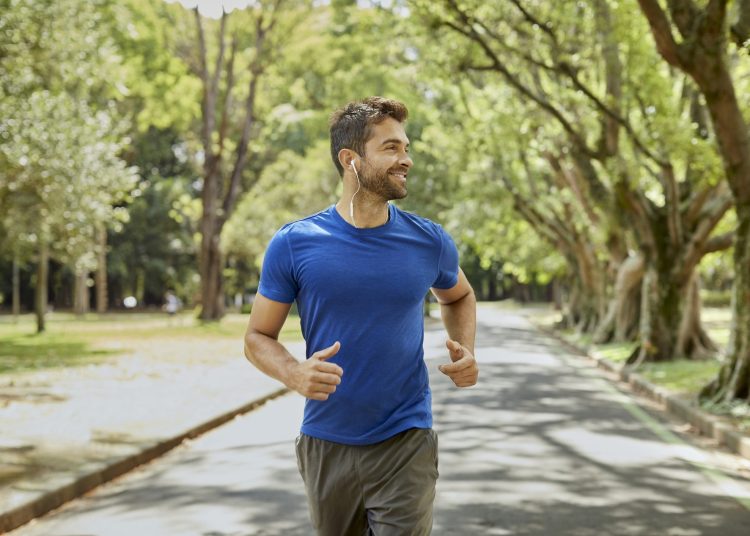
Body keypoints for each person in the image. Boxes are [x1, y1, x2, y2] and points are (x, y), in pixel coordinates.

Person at [243, 96, 478, 535]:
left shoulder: (429, 241)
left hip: (406, 439)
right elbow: (257, 336)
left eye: (406, 148)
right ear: (350, 159)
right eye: (391, 148)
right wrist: (294, 373)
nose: (406, 159)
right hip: (326, 441)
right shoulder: (295, 243)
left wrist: (465, 348)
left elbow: (459, 296)